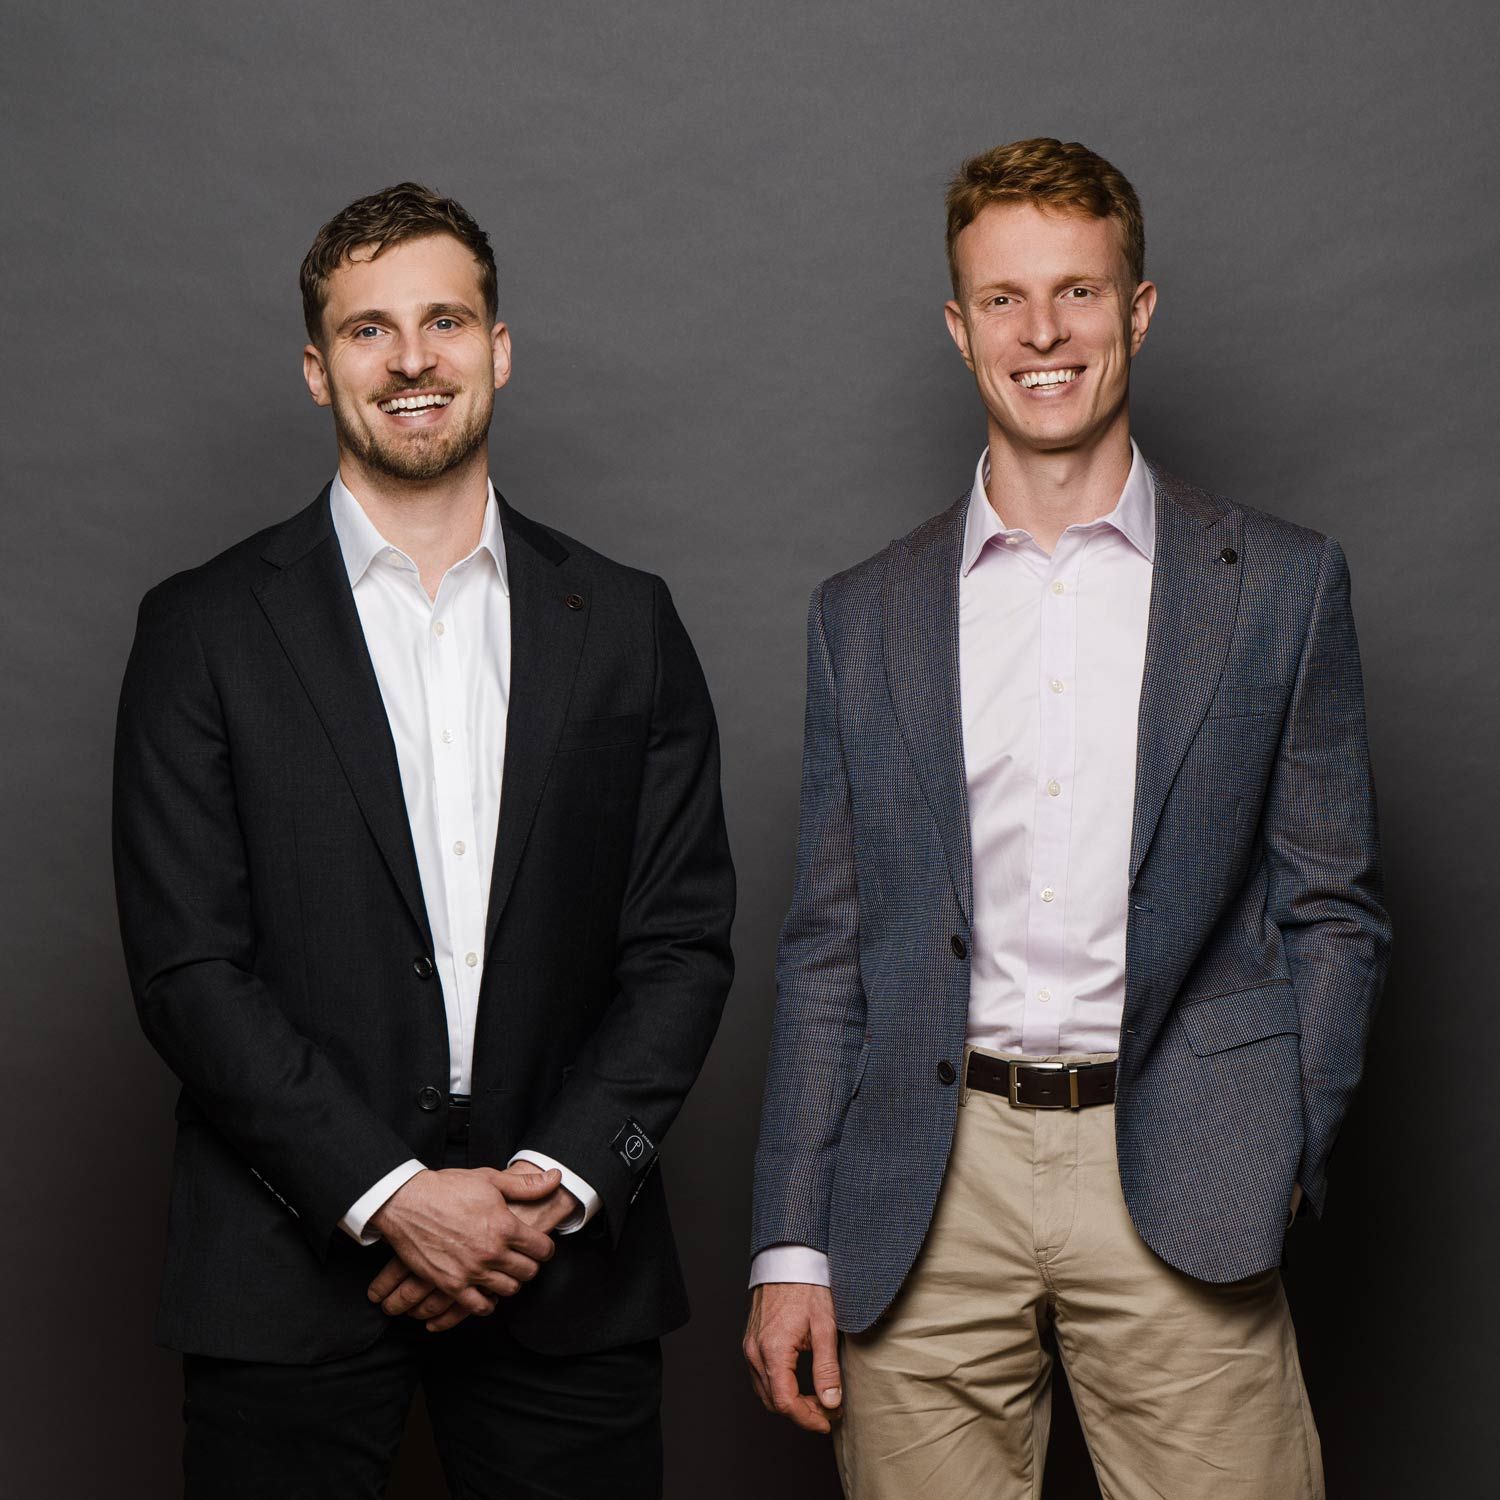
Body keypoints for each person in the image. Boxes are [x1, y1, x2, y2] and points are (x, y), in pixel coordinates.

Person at [743, 137, 1387, 1498]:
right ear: (960, 325)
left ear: (1136, 312)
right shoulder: (864, 615)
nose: (1042, 333)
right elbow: (828, 944)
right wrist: (792, 1242)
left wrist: (1282, 1145)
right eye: (1005, 298)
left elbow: (1331, 904)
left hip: (1187, 1163)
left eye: (1078, 293)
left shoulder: (1279, 586)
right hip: (925, 1181)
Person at [113, 182, 735, 1499]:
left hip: (563, 1268)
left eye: (444, 321)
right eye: (369, 330)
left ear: (497, 350)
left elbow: (682, 945)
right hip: (282, 1275)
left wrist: (555, 1185)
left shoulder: (628, 622)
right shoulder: (201, 630)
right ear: (317, 368)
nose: (411, 359)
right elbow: (187, 969)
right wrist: (389, 1192)